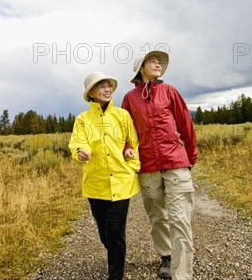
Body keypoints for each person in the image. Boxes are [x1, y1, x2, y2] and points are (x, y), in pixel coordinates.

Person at [122, 51, 198, 280]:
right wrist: (127, 147)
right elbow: (126, 130)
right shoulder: (129, 98)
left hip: (175, 162)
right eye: (152, 61)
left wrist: (190, 156)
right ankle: (167, 256)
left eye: (159, 62)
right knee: (157, 217)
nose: (157, 64)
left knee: (179, 218)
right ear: (140, 68)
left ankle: (182, 273)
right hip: (147, 166)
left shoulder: (169, 91)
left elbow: (186, 123)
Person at [69, 72, 141, 280]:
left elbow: (133, 142)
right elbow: (76, 143)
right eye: (101, 86)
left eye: (109, 85)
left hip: (121, 182)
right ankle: (116, 256)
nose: (107, 89)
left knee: (116, 231)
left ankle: (115, 274)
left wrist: (132, 165)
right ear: (91, 92)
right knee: (104, 233)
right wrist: (80, 153)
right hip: (95, 184)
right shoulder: (83, 120)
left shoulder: (122, 116)